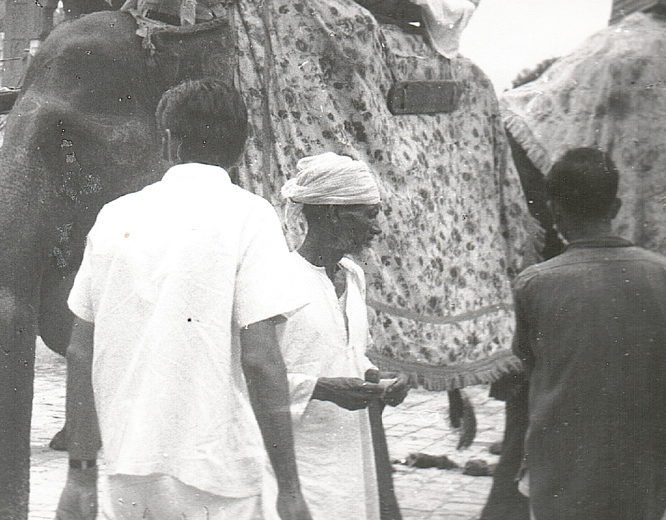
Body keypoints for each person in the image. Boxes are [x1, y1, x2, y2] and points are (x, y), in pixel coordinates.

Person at [55, 78, 312, 520]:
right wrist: (289, 488)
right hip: (218, 474)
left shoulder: (115, 215)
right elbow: (261, 360)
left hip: (129, 469)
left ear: (169, 140)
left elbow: (81, 351)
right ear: (241, 146)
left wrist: (80, 474)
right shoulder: (250, 215)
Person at [512, 147, 666, 520]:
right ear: (616, 207)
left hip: (564, 469)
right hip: (644, 466)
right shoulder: (664, 274)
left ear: (554, 209)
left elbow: (521, 366)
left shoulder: (536, 283)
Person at [276, 152, 409, 520]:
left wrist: (377, 380)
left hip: (351, 450)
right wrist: (322, 388)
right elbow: (250, 379)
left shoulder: (353, 276)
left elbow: (348, 355)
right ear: (334, 212)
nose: (377, 228)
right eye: (369, 214)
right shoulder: (278, 278)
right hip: (300, 458)